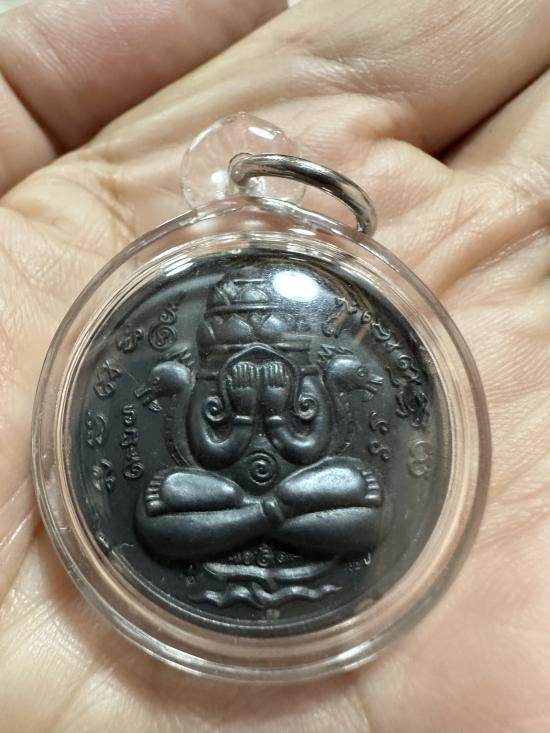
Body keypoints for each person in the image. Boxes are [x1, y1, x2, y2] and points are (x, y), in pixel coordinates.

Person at [0, 0, 549, 730]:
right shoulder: (203, 385)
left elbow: (324, 457)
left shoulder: (309, 382)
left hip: (293, 495)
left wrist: (282, 475)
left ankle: (263, 517)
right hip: (227, 497)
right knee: (164, 498)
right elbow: (193, 463)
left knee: (359, 491)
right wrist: (258, 491)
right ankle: (266, 518)